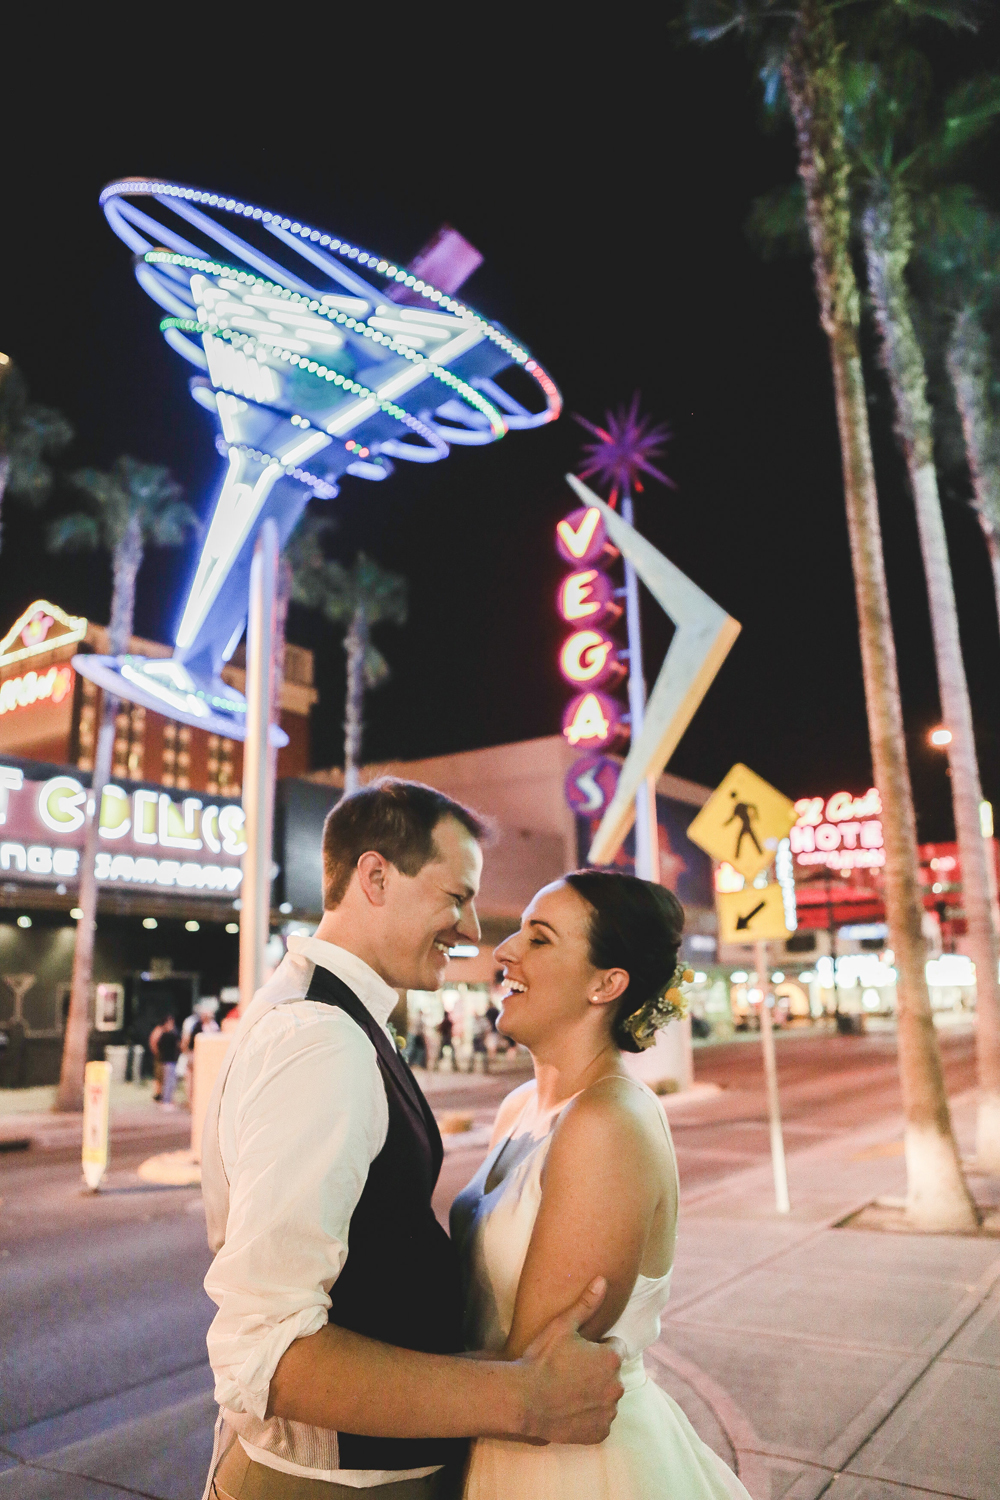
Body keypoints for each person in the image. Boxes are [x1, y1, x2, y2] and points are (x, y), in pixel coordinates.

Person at [201, 779, 623, 1500]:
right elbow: (265, 1347)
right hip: (332, 1484)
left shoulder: (335, 1015)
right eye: (456, 897)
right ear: (375, 877)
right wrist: (524, 1398)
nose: (470, 930)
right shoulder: (321, 1039)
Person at [451, 870, 752, 1498]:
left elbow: (538, 1372)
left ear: (606, 984)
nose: (504, 952)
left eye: (539, 939)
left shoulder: (607, 1123)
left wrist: (340, 1376)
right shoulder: (518, 1107)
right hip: (492, 1437)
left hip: (566, 1467)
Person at [155, 1015, 180, 1107]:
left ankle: (167, 1100)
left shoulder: (166, 1035)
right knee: (168, 1081)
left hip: (168, 1060)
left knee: (170, 1081)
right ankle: (166, 1101)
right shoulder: (168, 1035)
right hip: (167, 1060)